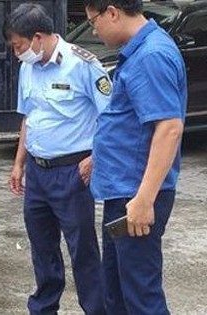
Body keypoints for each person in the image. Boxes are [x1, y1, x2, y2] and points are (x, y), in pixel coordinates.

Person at [4, 3, 111, 314]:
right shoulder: (28, 67)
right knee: (42, 246)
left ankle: (96, 309)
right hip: (37, 172)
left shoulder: (83, 65)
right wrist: (19, 163)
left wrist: (95, 157)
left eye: (19, 46)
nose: (17, 54)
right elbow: (29, 118)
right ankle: (44, 307)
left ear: (38, 37)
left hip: (72, 173)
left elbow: (112, 117)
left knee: (82, 250)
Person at [83, 1, 187, 314]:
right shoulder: (139, 50)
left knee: (141, 298)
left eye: (93, 21)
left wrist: (144, 200)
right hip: (122, 192)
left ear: (112, 12)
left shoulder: (150, 56)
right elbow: (131, 123)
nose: (94, 30)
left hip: (135, 196)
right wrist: (97, 157)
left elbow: (168, 128)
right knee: (116, 294)